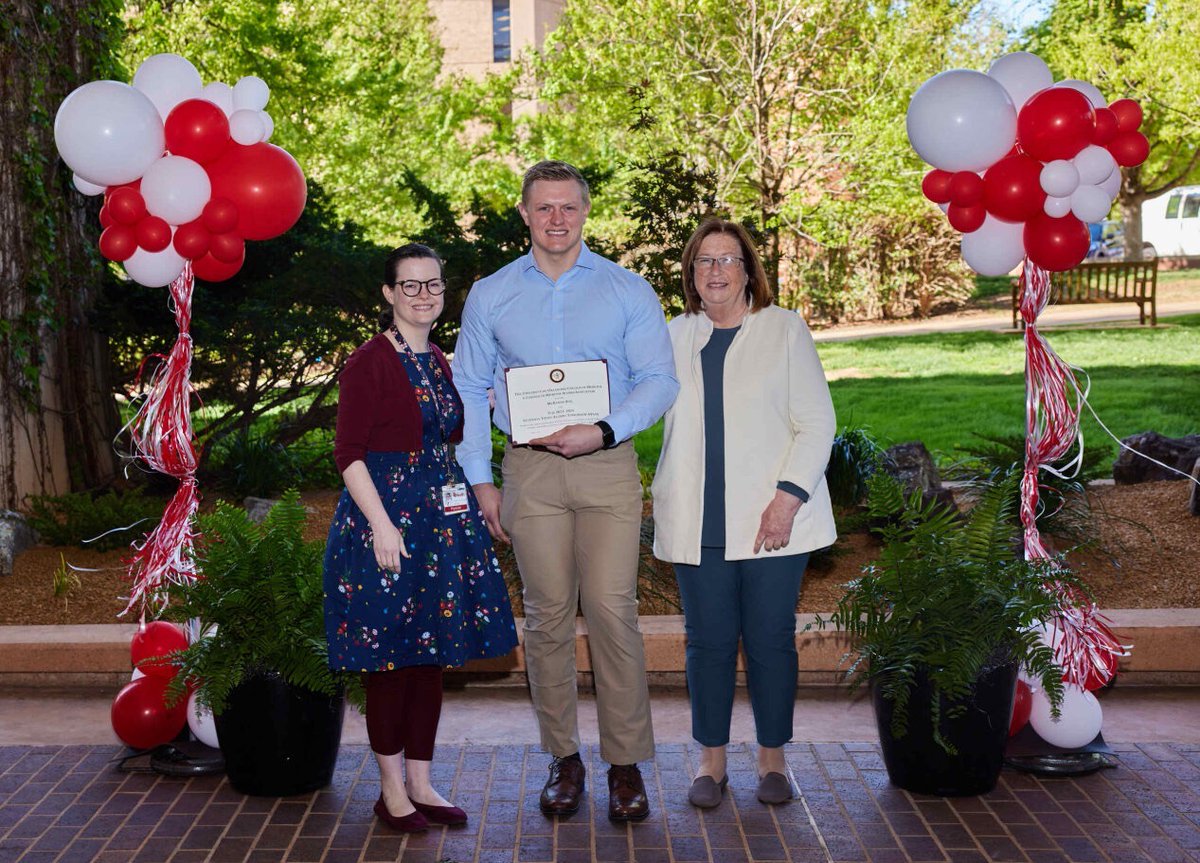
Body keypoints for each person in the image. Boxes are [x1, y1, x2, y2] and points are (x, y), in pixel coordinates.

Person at [452, 160, 679, 821]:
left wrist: (606, 426)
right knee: (548, 618)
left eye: (569, 208)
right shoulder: (491, 294)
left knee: (612, 611)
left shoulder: (625, 289)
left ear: (586, 211)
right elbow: (469, 386)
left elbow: (659, 380)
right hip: (529, 470)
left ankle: (626, 763)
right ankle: (564, 759)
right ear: (524, 213)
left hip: (606, 465)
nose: (557, 219)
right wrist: (480, 479)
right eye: (544, 207)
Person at [323, 243, 518, 833]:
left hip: (439, 524)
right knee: (388, 660)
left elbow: (451, 433)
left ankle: (422, 781)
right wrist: (381, 525)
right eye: (410, 285)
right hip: (386, 524)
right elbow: (347, 454)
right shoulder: (368, 363)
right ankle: (389, 790)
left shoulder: (437, 358)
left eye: (433, 284)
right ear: (388, 294)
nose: (423, 294)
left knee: (429, 658)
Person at [651, 219, 837, 809]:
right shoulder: (673, 335)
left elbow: (817, 423)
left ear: (747, 269)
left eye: (727, 260)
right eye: (703, 261)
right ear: (690, 274)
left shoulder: (782, 329)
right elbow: (621, 393)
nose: (715, 271)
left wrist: (787, 499)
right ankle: (710, 765)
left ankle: (772, 761)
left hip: (771, 519)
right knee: (706, 643)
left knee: (769, 642)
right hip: (697, 520)